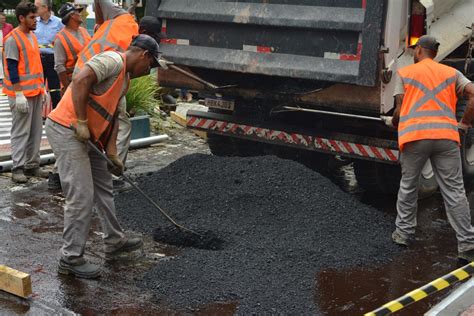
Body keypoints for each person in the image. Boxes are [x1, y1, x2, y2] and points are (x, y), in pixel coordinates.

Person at [46, 34, 165, 279]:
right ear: (144, 55)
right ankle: (71, 258)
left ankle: (114, 241)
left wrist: (112, 155)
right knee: (81, 195)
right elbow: (80, 80)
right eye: (151, 65)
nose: (149, 71)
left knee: (104, 186)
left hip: (89, 137)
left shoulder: (125, 81)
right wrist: (80, 121)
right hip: (67, 129)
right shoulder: (112, 60)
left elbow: (112, 118)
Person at [384, 35, 474, 262]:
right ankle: (467, 243)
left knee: (408, 186)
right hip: (446, 137)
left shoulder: (405, 74)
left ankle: (403, 234)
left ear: (420, 51)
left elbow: (399, 111)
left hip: (415, 138)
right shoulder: (451, 73)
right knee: (454, 191)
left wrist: (393, 122)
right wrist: (463, 124)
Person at [76, 0, 161, 190]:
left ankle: (58, 174)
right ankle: (113, 175)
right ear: (146, 33)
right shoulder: (134, 47)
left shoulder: (121, 17)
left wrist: (100, 23)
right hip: (98, 74)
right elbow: (130, 70)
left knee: (79, 121)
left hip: (82, 68)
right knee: (120, 122)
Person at [47, 3, 91, 190]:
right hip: (74, 84)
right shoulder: (61, 38)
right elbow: (60, 66)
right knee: (71, 127)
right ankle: (57, 174)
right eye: (78, 13)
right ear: (72, 16)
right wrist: (68, 87)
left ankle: (58, 174)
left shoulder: (84, 32)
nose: (82, 15)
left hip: (88, 83)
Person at [3, 1, 47, 183]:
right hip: (21, 95)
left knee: (36, 130)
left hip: (35, 91)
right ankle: (18, 168)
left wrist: (42, 89)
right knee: (21, 132)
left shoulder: (31, 36)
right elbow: (12, 68)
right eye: (32, 18)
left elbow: (35, 66)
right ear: (21, 18)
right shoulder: (13, 38)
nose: (35, 21)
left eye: (36, 17)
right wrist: (19, 93)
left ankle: (32, 165)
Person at [34, 0, 63, 109]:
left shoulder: (59, 23)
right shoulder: (33, 22)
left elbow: (65, 40)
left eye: (36, 7)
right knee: (37, 89)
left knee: (55, 90)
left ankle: (56, 115)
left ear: (45, 8)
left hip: (53, 60)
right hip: (37, 59)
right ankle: (37, 114)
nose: (34, 9)